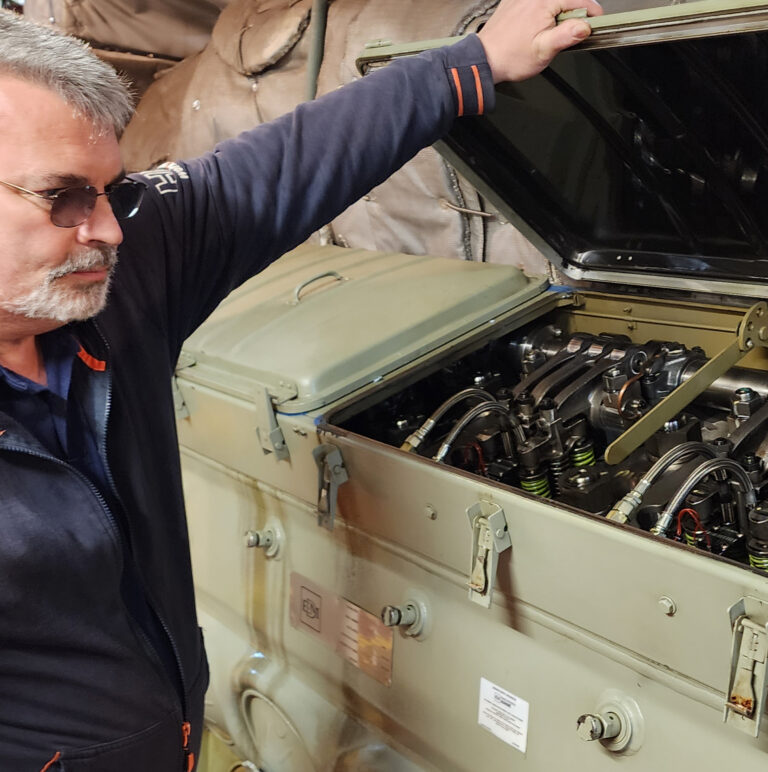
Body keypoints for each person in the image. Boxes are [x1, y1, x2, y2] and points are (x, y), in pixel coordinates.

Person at [0, 0, 601, 768]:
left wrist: (471, 63)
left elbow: (284, 164)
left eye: (110, 189)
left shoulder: (121, 268)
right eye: (63, 198)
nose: (110, 229)